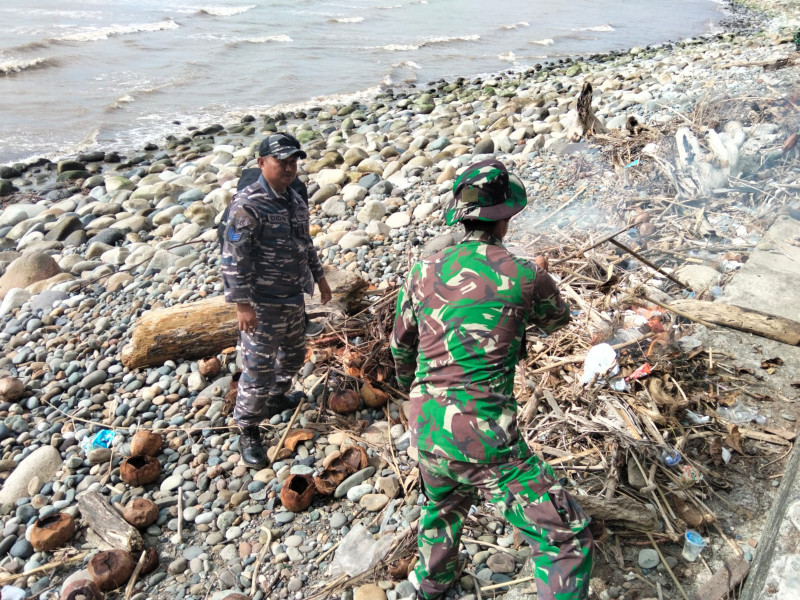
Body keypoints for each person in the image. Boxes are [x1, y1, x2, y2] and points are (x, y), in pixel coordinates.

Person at [390, 159, 594, 600]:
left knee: (443, 505)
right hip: (485, 435)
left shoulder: (421, 271)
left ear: (460, 217)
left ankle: (432, 585)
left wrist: (418, 394)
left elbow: (401, 348)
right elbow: (557, 321)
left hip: (425, 425)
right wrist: (538, 281)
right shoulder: (526, 274)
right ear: (506, 218)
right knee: (565, 539)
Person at [221, 132, 332, 467]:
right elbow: (234, 256)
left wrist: (320, 278)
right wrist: (242, 305)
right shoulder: (248, 205)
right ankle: (248, 429)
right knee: (257, 370)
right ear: (261, 163)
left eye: (293, 161)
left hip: (292, 296)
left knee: (295, 355)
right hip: (261, 302)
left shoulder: (294, 199)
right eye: (281, 161)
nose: (288, 167)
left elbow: (305, 243)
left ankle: (275, 397)